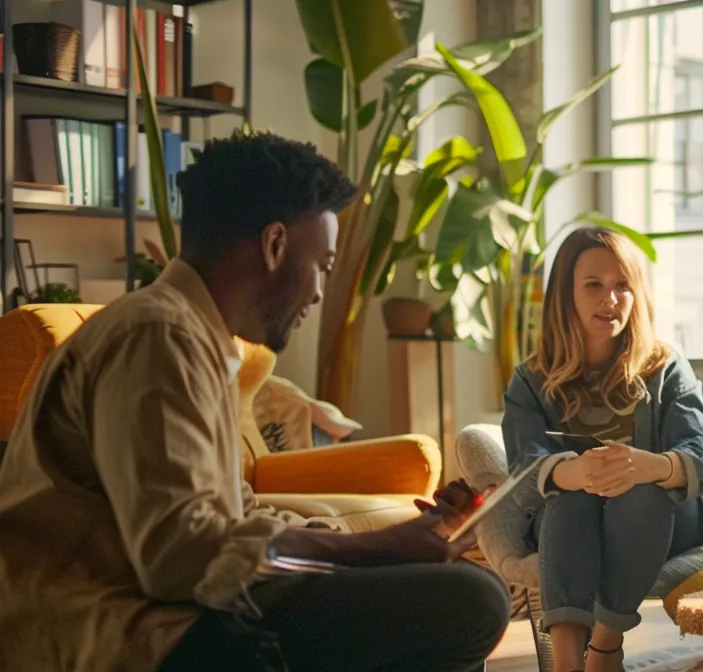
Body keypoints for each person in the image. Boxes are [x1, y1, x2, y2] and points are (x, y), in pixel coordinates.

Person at [0, 131, 510, 672]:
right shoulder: (157, 337)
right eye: (324, 265)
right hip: (121, 632)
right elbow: (179, 558)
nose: (318, 292)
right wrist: (372, 552)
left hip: (178, 608)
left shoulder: (196, 339)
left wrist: (391, 541)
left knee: (458, 586)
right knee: (467, 601)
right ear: (274, 245)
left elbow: (233, 516)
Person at [495, 226, 703, 672]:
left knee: (638, 490)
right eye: (594, 286)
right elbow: (524, 472)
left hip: (666, 521)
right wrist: (575, 473)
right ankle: (565, 663)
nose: (612, 299)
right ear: (566, 295)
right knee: (569, 495)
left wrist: (648, 467)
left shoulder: (664, 366)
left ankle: (604, 649)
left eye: (623, 286)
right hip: (572, 524)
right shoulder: (531, 379)